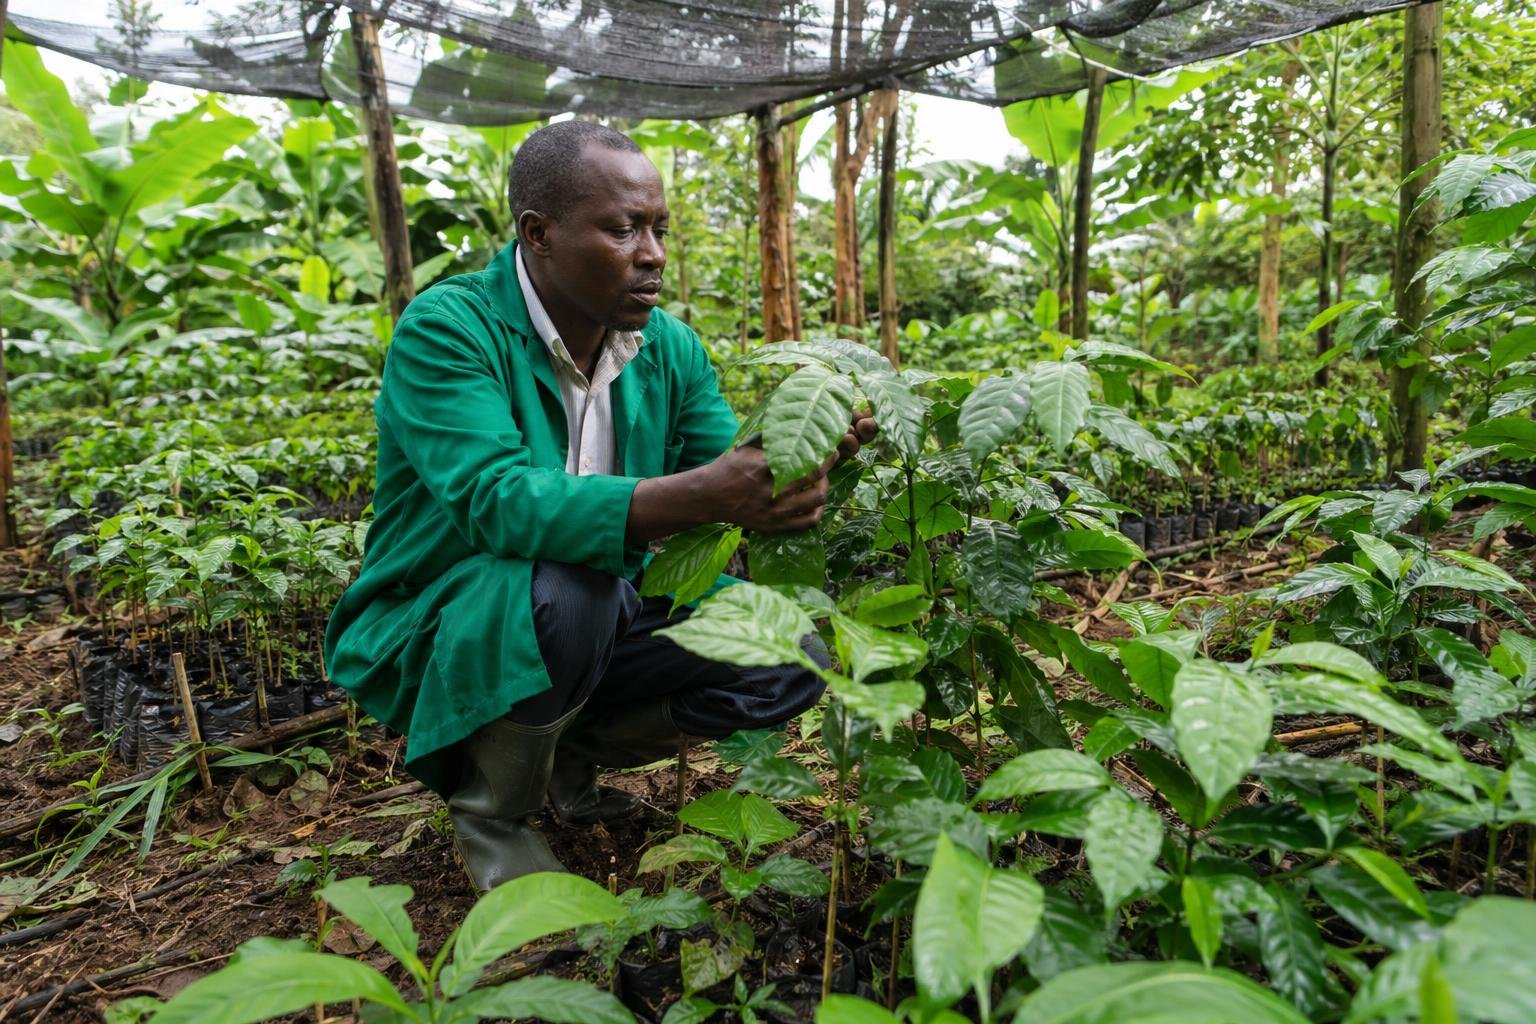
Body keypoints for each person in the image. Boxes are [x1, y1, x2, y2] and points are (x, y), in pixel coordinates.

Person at [324, 121, 878, 891]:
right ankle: (493, 810)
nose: (651, 253)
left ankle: (564, 761)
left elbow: (717, 475)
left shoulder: (668, 349)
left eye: (657, 229)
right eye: (623, 229)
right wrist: (700, 493)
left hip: (602, 609)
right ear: (539, 233)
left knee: (786, 651)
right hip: (451, 617)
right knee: (572, 585)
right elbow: (498, 501)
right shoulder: (448, 330)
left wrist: (788, 467)